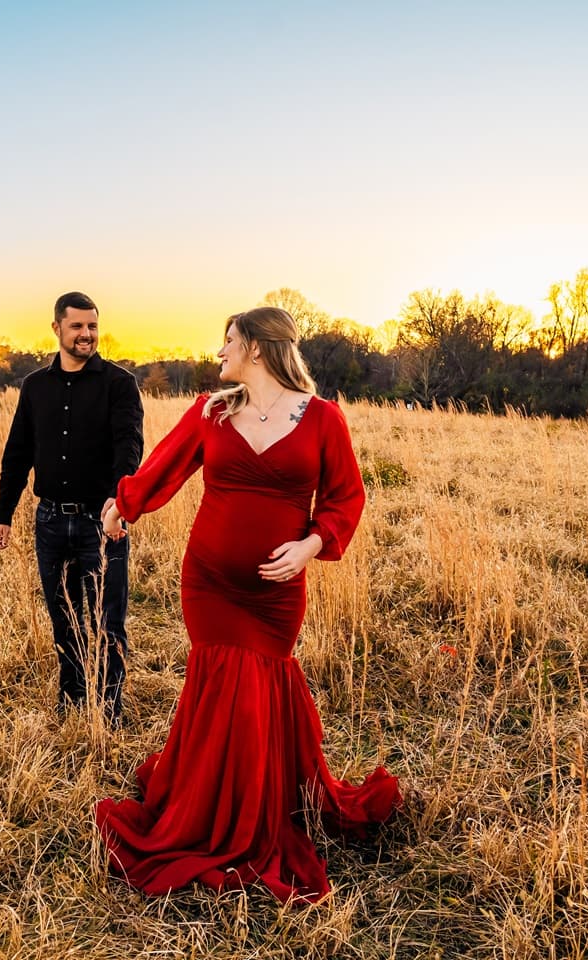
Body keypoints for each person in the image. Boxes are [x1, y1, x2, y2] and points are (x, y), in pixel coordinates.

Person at [94, 305, 398, 903]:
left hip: (275, 596)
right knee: (219, 686)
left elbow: (345, 496)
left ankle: (256, 806)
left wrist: (311, 544)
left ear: (257, 347)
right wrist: (124, 503)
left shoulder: (323, 419)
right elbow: (166, 465)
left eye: (227, 341)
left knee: (260, 690)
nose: (219, 351)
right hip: (209, 582)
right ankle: (206, 809)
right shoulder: (213, 409)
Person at [0, 291, 143, 724]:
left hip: (102, 519)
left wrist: (120, 499)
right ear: (57, 328)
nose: (86, 335)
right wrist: (4, 513)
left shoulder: (118, 384)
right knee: (64, 616)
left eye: (92, 326)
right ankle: (73, 699)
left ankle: (109, 709)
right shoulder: (36, 386)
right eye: (77, 326)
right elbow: (18, 451)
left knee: (108, 618)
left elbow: (128, 445)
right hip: (51, 520)